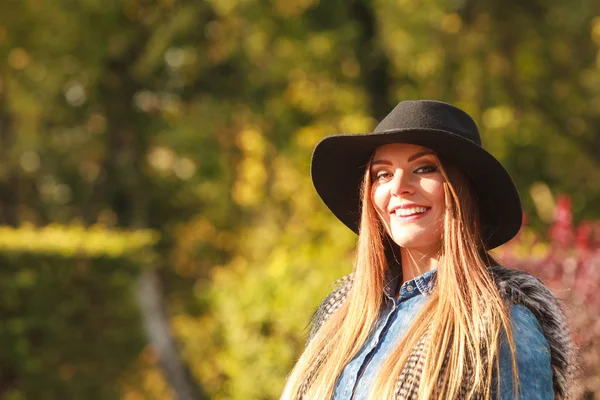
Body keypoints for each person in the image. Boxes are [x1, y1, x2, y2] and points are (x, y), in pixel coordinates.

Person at [281, 100, 578, 400]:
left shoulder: (498, 323)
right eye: (382, 174)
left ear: (464, 189)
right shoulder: (341, 315)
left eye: (424, 168)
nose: (399, 186)